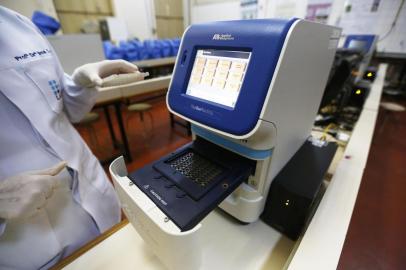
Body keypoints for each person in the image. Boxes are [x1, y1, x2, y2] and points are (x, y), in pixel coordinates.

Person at [0, 7, 142, 269]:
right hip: (28, 244)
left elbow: (68, 110)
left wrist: (78, 84)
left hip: (95, 200)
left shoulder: (19, 25)